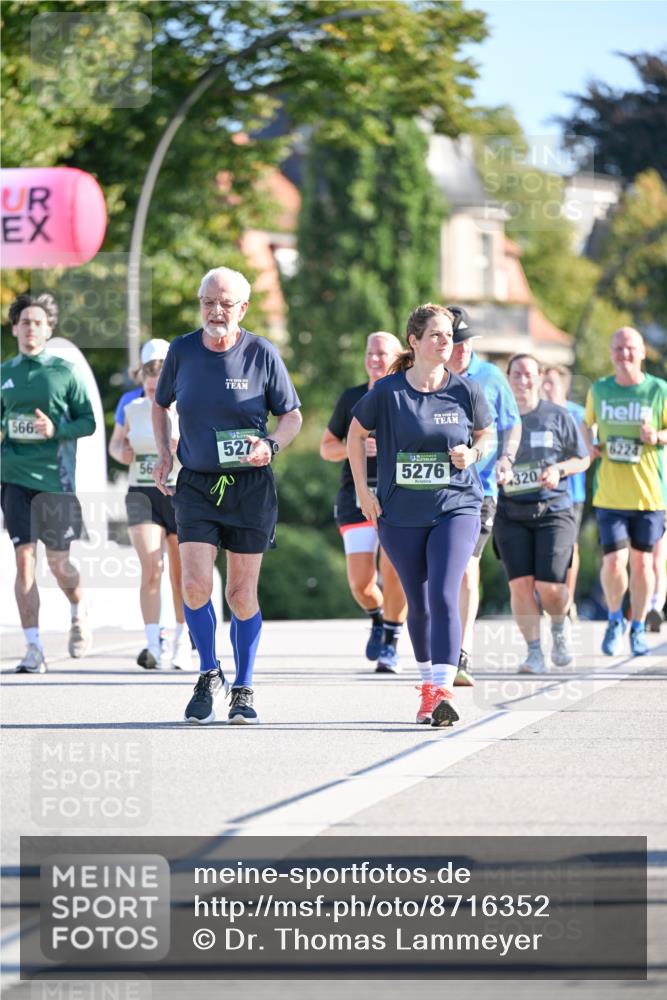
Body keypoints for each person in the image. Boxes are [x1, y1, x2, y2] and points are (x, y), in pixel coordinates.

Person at [153, 266, 302, 724]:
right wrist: (164, 454)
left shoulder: (261, 353)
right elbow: (161, 405)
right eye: (208, 303)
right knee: (195, 584)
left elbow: (291, 415)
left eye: (225, 303)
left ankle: (243, 685)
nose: (216, 311)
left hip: (249, 487)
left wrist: (270, 445)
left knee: (240, 594)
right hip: (197, 483)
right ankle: (207, 672)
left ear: (243, 308)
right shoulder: (181, 351)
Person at [347, 303, 493, 727]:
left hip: (457, 504)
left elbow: (486, 433)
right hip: (401, 512)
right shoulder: (389, 392)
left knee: (444, 593)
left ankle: (442, 693)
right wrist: (363, 490)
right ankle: (429, 686)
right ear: (414, 341)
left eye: (449, 335)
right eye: (436, 335)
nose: (445, 342)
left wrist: (474, 453)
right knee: (419, 601)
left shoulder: (465, 390)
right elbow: (356, 435)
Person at [1, 293, 95, 673]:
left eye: (38, 323)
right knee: (24, 563)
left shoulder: (64, 371)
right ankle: (33, 648)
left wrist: (56, 428)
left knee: (59, 566)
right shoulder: (4, 372)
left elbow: (87, 421)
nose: (31, 329)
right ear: (14, 328)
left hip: (55, 480)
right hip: (13, 478)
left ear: (48, 329)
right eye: (24, 322)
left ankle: (78, 607)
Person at [493, 355, 590, 674]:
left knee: (550, 587)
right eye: (517, 374)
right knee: (520, 585)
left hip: (553, 509)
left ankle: (559, 627)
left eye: (529, 374)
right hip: (510, 511)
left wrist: (558, 470)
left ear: (539, 378)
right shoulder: (495, 418)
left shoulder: (558, 415)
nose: (523, 380)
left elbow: (582, 459)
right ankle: (534, 652)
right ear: (508, 378)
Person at [320, 332, 407, 673]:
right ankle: (377, 616)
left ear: (398, 357)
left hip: (398, 496)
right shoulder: (352, 397)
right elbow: (327, 447)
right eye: (370, 352)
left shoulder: (407, 395)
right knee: (360, 582)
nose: (374, 359)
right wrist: (354, 448)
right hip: (355, 496)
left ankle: (391, 642)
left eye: (382, 353)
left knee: (394, 571)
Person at [581, 327, 667, 656]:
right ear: (611, 353)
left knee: (643, 565)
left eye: (630, 348)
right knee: (615, 563)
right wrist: (591, 446)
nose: (624, 354)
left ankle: (639, 625)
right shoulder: (600, 390)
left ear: (643, 352)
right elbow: (585, 423)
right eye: (618, 348)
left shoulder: (658, 390)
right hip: (610, 496)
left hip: (648, 497)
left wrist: (656, 437)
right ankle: (616, 617)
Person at [447, 306, 521, 685]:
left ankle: (462, 653)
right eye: (453, 342)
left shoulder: (490, 377)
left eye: (465, 342)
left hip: (480, 488)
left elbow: (512, 424)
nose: (460, 350)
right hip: (434, 488)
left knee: (465, 568)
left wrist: (506, 458)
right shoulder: (429, 377)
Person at [108, 338, 190, 670]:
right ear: (141, 375)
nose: (154, 382)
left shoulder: (186, 399)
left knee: (180, 574)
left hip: (179, 492)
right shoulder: (129, 401)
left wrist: (176, 444)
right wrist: (122, 452)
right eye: (148, 374)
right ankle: (154, 641)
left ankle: (183, 641)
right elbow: (115, 445)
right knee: (151, 567)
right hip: (142, 491)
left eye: (160, 372)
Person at [541, 365, 587, 615]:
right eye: (544, 382)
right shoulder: (536, 413)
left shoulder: (578, 415)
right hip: (541, 493)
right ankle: (548, 598)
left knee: (570, 547)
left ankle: (567, 600)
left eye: (552, 383)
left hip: (572, 493)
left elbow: (588, 452)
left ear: (565, 387)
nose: (546, 388)